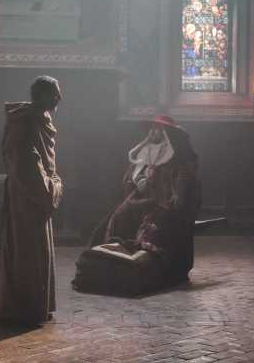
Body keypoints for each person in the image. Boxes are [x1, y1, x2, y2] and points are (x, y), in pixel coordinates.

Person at [72, 116, 199, 297]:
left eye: (158, 129)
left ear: (166, 133)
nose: (153, 132)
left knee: (153, 225)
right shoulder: (142, 152)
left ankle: (143, 264)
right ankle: (108, 259)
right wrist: (136, 183)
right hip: (139, 199)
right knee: (118, 215)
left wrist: (171, 193)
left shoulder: (176, 158)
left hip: (162, 203)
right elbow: (128, 180)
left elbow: (180, 187)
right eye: (152, 129)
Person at [0, 76, 64, 326]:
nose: (59, 98)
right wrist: (53, 188)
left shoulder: (41, 119)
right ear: (41, 96)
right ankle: (22, 309)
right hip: (26, 197)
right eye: (54, 93)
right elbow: (25, 165)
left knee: (37, 251)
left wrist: (50, 184)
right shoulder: (23, 123)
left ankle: (36, 306)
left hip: (36, 197)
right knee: (26, 252)